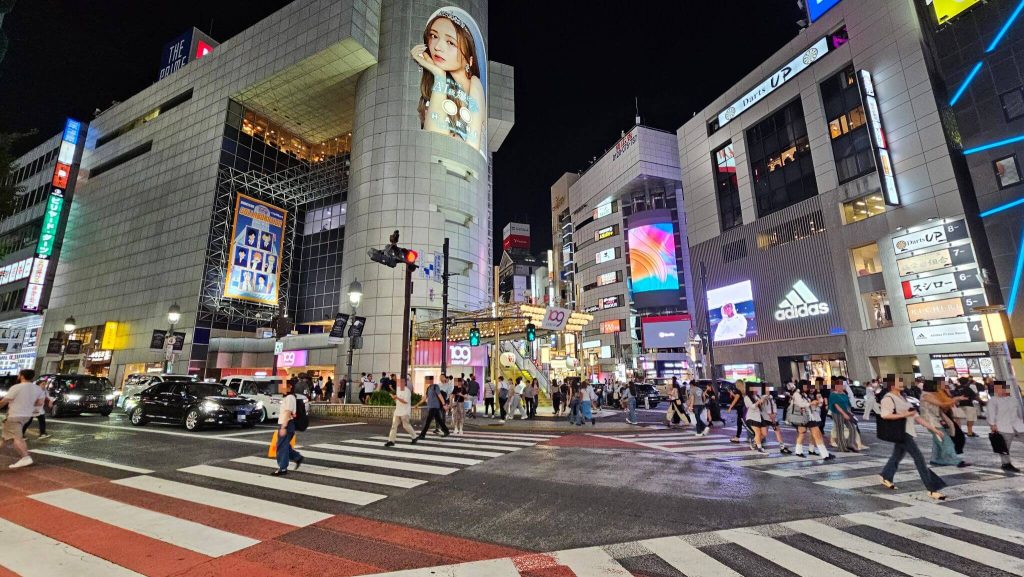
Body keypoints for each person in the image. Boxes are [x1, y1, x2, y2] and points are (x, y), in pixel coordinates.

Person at [411, 8, 487, 152]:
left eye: (451, 43)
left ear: (470, 60)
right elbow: (433, 138)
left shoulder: (475, 84)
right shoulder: (440, 86)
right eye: (433, 36)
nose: (438, 47)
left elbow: (471, 150)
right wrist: (439, 75)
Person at [878, 377, 947, 500]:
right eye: (899, 382)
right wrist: (905, 414)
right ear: (892, 385)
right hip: (901, 433)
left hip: (906, 432)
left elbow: (917, 417)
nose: (902, 383)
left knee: (897, 456)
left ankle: (886, 476)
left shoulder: (903, 397)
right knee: (919, 459)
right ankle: (932, 488)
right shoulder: (888, 398)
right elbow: (885, 415)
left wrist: (935, 429)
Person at [0, 370, 45, 469]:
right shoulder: (38, 389)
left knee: (17, 438)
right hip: (27, 415)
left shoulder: (16, 387)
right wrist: (27, 404)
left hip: (15, 415)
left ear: (22, 376)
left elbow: (5, 401)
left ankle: (26, 457)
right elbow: (40, 403)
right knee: (5, 437)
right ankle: (25, 457)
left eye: (19, 374)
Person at [920, 379, 968, 467]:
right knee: (946, 441)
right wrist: (956, 399)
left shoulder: (930, 394)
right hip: (931, 421)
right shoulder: (926, 395)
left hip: (935, 420)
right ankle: (955, 460)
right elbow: (942, 404)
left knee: (938, 440)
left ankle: (936, 459)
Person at [988, 380, 1024, 472]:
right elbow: (991, 413)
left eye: (1000, 388)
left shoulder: (1013, 400)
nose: (998, 390)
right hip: (1003, 426)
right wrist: (992, 425)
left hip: (1018, 425)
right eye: (997, 389)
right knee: (1005, 447)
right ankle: (1006, 463)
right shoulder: (993, 400)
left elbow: (1019, 412)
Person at [791, 380, 831, 460]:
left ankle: (822, 453)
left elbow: (809, 404)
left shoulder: (804, 394)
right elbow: (801, 404)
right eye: (806, 386)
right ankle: (824, 454)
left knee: (815, 434)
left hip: (809, 416)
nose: (807, 388)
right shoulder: (797, 394)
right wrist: (811, 403)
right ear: (802, 386)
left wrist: (814, 403)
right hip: (802, 417)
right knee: (805, 433)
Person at [272, 379, 304, 476]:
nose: (281, 387)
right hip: (287, 424)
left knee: (281, 446)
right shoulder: (289, 397)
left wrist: (283, 427)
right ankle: (297, 457)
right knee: (284, 445)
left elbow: (288, 412)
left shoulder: (290, 397)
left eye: (284, 385)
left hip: (287, 424)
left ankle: (283, 468)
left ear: (290, 387)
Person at [384, 377, 419, 446]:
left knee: (405, 425)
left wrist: (396, 397)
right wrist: (394, 398)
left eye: (400, 382)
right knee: (394, 426)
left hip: (405, 411)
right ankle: (391, 441)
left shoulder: (407, 391)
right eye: (398, 382)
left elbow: (405, 401)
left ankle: (414, 437)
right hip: (398, 410)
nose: (398, 384)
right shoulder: (398, 390)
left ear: (404, 383)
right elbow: (397, 401)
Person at [829, 379, 859, 452]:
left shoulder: (844, 394)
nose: (841, 387)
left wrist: (849, 412)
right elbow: (836, 406)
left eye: (842, 386)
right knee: (840, 429)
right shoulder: (833, 395)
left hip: (846, 412)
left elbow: (847, 405)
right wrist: (844, 414)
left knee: (852, 427)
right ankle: (842, 446)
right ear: (835, 387)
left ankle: (850, 443)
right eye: (839, 386)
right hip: (837, 413)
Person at [761, 388, 791, 454]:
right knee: (764, 434)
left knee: (778, 432)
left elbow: (774, 406)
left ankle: (782, 447)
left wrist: (774, 415)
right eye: (766, 389)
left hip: (773, 418)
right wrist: (773, 418)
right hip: (766, 418)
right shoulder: (763, 398)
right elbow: (766, 409)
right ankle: (755, 442)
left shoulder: (772, 397)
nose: (768, 390)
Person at [744, 386, 769, 453]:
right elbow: (752, 406)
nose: (757, 390)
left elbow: (762, 407)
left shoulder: (757, 396)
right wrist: (759, 401)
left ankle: (754, 442)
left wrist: (763, 400)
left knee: (764, 433)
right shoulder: (746, 397)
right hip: (752, 417)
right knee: (757, 432)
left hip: (759, 417)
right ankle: (759, 448)